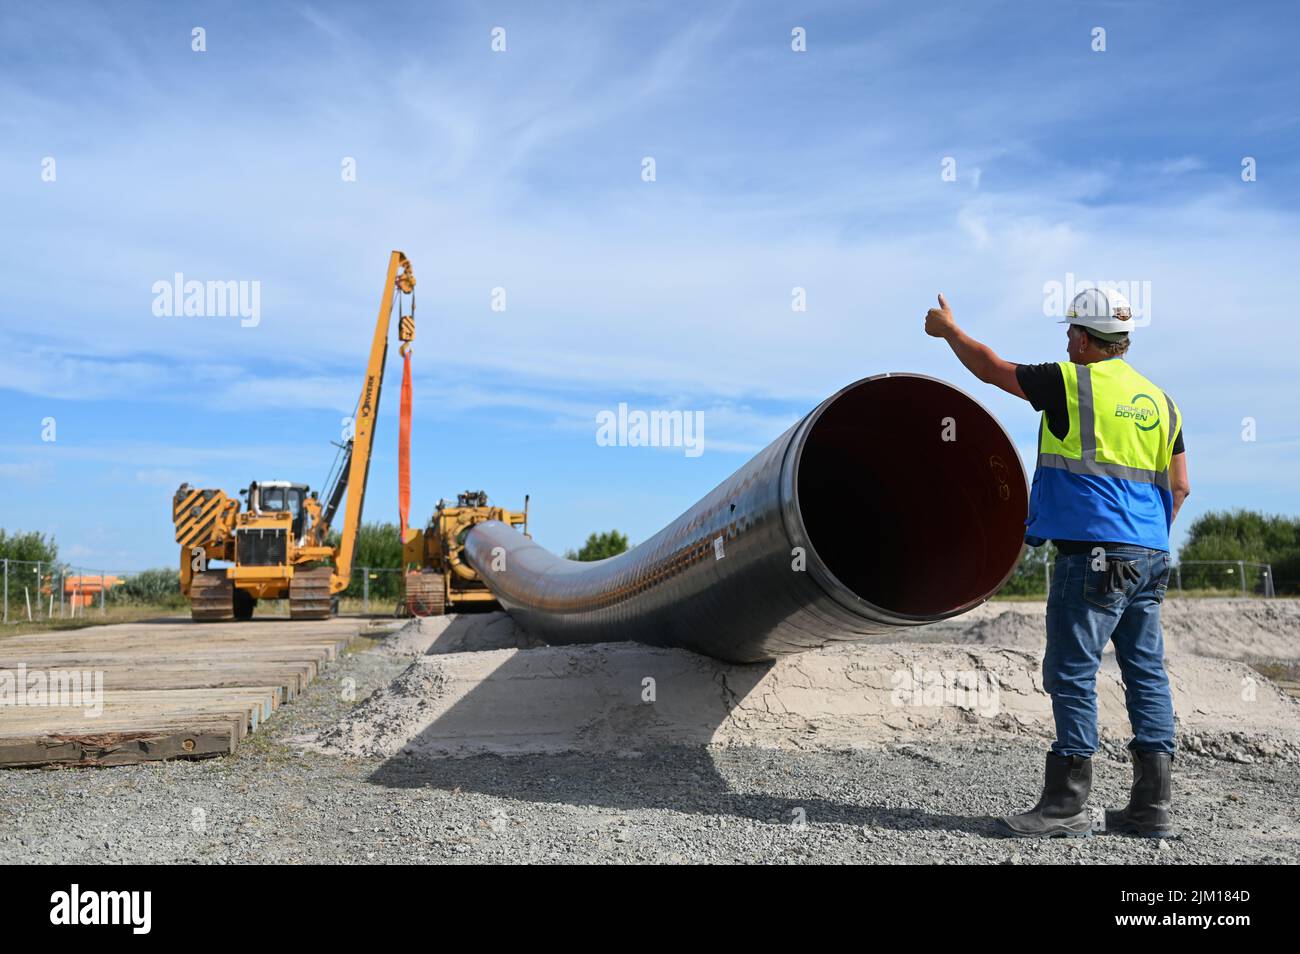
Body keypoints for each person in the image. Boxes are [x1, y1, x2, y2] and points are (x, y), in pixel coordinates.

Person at [923, 288, 1190, 838]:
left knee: (1070, 672)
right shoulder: (1161, 401)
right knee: (1144, 672)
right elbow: (1180, 485)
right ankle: (1152, 808)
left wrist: (949, 332)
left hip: (1093, 554)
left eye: (1072, 332)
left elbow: (993, 369)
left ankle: (1065, 804)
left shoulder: (1070, 382)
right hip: (1150, 555)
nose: (1066, 340)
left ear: (1090, 340)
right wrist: (1145, 541)